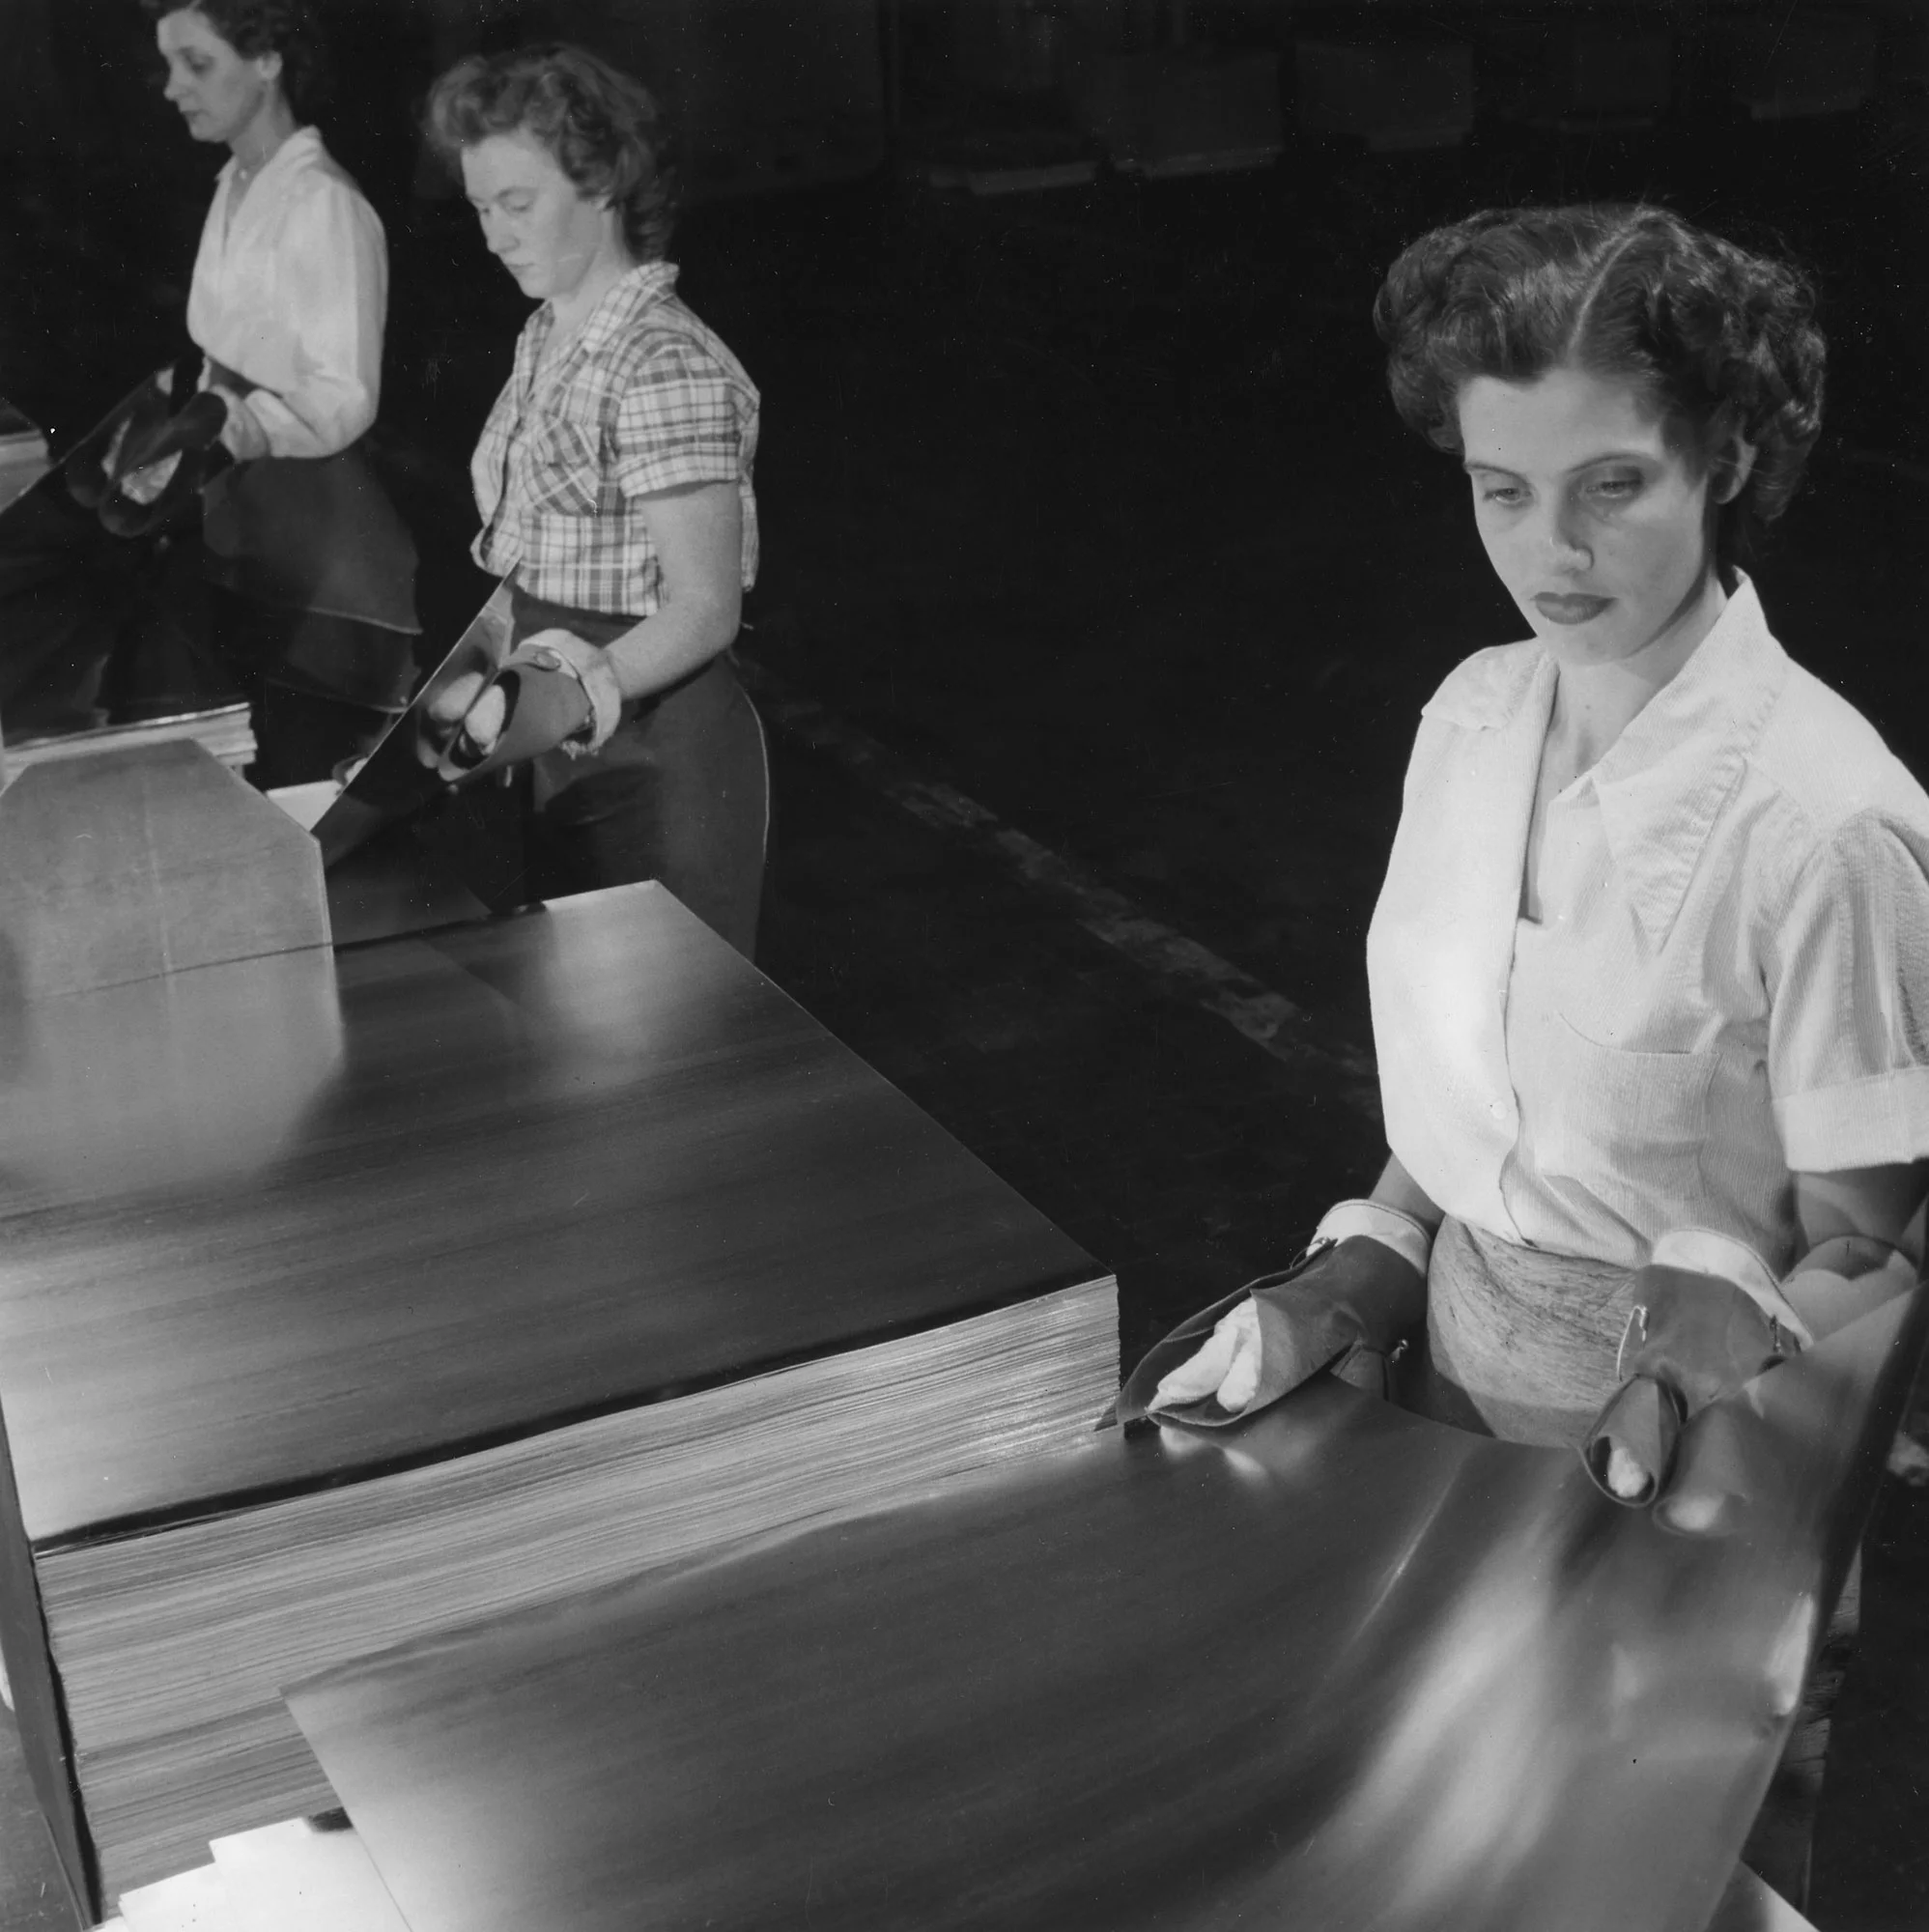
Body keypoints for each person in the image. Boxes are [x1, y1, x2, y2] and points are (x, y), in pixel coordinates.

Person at [1117, 204, 1929, 1906]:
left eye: (1611, 483)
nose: (1551, 548)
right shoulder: (1477, 713)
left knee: (1646, 1891)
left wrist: (1702, 1363)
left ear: (1725, 458)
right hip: (1437, 1434)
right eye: (1502, 489)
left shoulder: (1828, 823)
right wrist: (1364, 1269)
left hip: (1687, 1491)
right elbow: (1470, 1094)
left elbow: (1870, 1246)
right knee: (1433, 1865)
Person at [419, 43, 767, 956]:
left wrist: (562, 696)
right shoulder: (548, 334)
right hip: (560, 733)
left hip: (654, 756)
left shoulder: (660, 362)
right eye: (480, 208)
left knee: (662, 1024)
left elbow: (704, 609)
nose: (493, 235)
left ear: (603, 182)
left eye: (517, 203)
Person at [131, 0, 420, 785]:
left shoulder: (323, 203)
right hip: (244, 525)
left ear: (267, 62)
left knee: (309, 771)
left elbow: (343, 395)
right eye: (169, 65)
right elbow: (223, 359)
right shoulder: (235, 183)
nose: (173, 88)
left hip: (319, 539)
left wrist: (226, 427)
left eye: (197, 64)